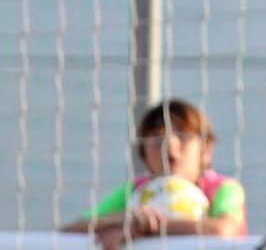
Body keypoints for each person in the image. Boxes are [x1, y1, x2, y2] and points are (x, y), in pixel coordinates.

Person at [61, 100, 249, 246]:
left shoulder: (224, 188)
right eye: (158, 140)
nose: (170, 146)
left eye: (183, 137)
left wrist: (144, 229)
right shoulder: (134, 190)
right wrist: (123, 220)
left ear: (206, 150)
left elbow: (224, 229)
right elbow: (69, 231)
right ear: (143, 154)